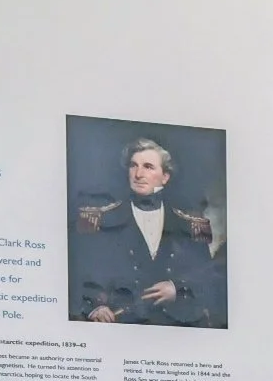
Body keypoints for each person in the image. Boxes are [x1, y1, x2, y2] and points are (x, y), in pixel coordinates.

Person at [70, 136, 227, 327]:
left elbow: (207, 278)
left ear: (165, 177)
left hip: (177, 329)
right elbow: (81, 273)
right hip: (121, 326)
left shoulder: (188, 226)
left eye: (148, 167)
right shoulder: (102, 221)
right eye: (133, 166)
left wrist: (177, 289)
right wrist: (94, 306)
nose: (138, 174)